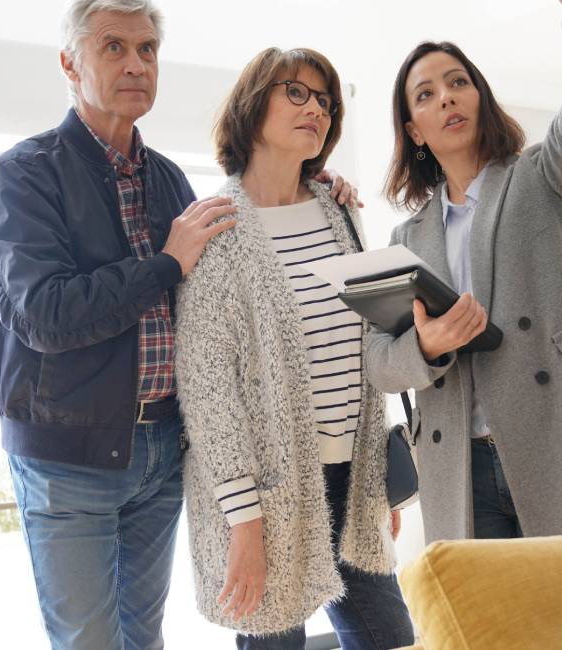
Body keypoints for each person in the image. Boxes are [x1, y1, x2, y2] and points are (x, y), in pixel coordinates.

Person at [0, 1, 357, 647]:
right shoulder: (27, 173)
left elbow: (223, 299)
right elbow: (48, 316)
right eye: (114, 47)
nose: (135, 64)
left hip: (160, 452)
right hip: (69, 457)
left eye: (148, 50)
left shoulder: (169, 180)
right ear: (70, 62)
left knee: (143, 637)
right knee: (89, 640)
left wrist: (318, 183)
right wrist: (165, 263)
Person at [363, 0, 562, 544]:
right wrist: (428, 346)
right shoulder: (406, 240)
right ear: (414, 131)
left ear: (479, 97)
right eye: (426, 94)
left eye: (458, 82)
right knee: (499, 625)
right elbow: (379, 362)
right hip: (460, 465)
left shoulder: (543, 176)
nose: (447, 97)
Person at [174, 46, 414, 649]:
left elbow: (365, 346)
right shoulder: (217, 226)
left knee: (394, 640)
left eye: (326, 102)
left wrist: (377, 478)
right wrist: (245, 526)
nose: (317, 110)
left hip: (352, 481)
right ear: (254, 106)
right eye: (297, 93)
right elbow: (209, 393)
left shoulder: (339, 213)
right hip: (268, 500)